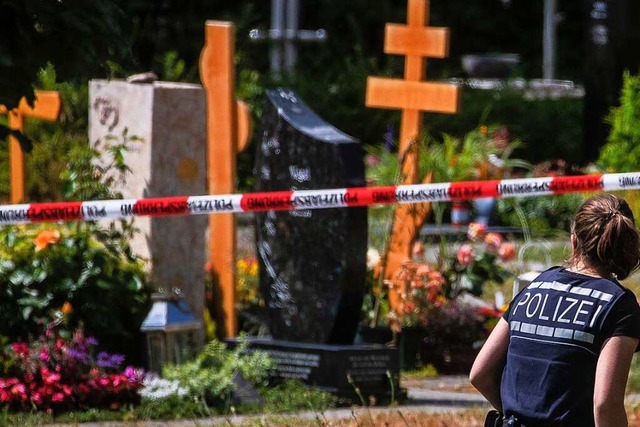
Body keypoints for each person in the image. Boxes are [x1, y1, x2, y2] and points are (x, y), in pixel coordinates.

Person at [470, 193, 640, 427]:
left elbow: (480, 374)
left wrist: (520, 413)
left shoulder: (537, 285)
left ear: (574, 240)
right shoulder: (619, 305)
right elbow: (605, 404)